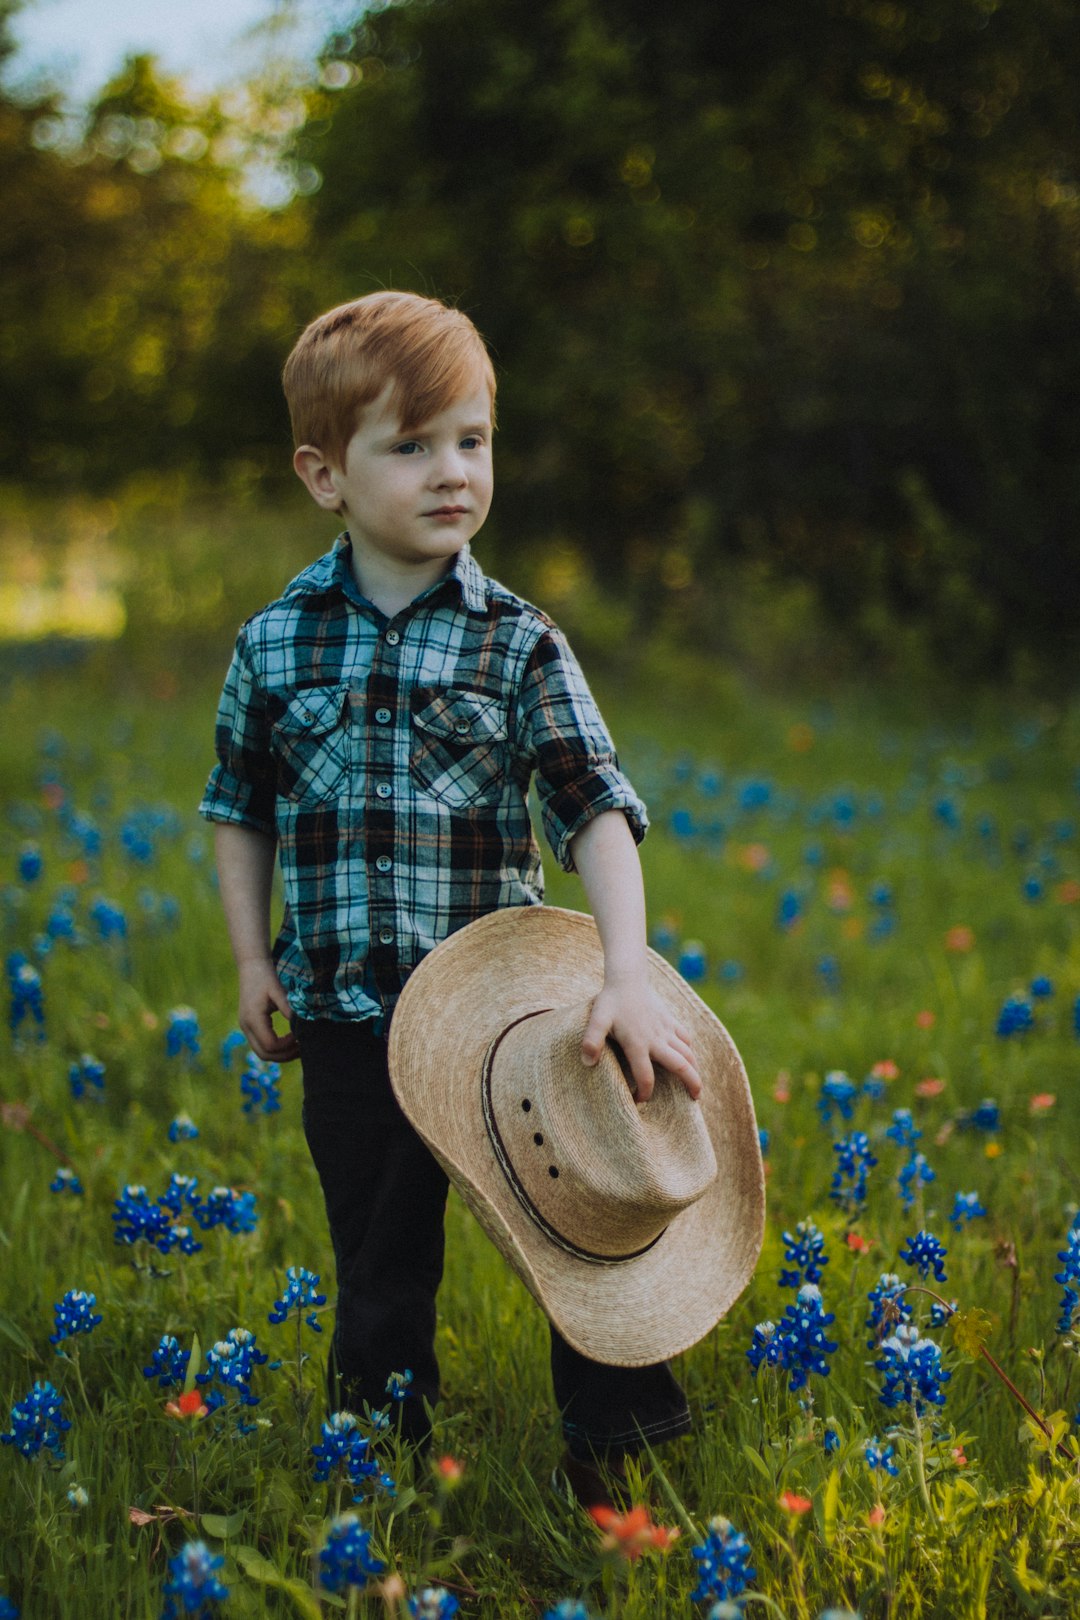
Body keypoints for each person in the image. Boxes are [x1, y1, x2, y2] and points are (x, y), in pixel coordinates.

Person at [199, 290, 703, 1506]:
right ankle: (380, 1474)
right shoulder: (274, 644)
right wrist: (251, 963)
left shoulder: (519, 643)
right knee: (376, 1267)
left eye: (471, 441)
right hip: (345, 1015)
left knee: (581, 1225)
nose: (452, 472)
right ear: (325, 474)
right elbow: (238, 806)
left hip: (501, 1026)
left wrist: (623, 975)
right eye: (411, 445)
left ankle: (620, 1466)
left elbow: (596, 809)